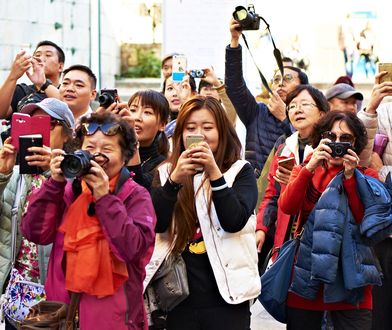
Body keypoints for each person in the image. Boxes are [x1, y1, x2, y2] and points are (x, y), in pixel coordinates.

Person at [21, 113, 156, 329]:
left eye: (108, 150)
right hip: (62, 317)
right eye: (90, 148)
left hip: (114, 320)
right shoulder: (67, 191)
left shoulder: (135, 196)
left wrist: (105, 199)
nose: (96, 157)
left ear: (125, 158)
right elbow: (35, 233)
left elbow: (134, 250)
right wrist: (54, 183)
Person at [148, 96, 260, 330]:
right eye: (191, 128)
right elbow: (156, 223)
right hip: (179, 298)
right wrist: (175, 180)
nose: (200, 134)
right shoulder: (166, 172)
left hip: (228, 298)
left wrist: (214, 173)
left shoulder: (241, 171)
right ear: (180, 135)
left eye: (208, 127)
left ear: (222, 132)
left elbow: (234, 220)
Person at [278, 111, 381, 330]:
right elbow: (288, 206)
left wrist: (352, 178)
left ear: (356, 144)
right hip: (308, 280)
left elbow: (367, 222)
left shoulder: (367, 176)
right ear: (319, 140)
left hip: (352, 284)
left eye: (345, 139)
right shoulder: (305, 169)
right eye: (330, 137)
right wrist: (308, 168)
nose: (337, 144)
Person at [0, 98, 74, 329]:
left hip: (55, 296)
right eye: (31, 124)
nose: (39, 130)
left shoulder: (76, 175)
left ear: (69, 134)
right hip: (16, 292)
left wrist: (51, 173)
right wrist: (2, 173)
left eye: (49, 124)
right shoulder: (16, 174)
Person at [225, 18, 309, 177]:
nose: (280, 83)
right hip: (258, 190)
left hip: (291, 189)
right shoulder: (258, 112)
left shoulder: (311, 116)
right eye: (276, 79)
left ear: (303, 88)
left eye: (288, 78)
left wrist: (286, 118)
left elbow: (307, 150)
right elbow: (235, 87)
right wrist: (235, 40)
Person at [256, 85, 330, 263]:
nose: (297, 109)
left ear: (322, 113)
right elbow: (272, 194)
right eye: (292, 106)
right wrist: (261, 228)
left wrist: (296, 182)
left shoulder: (329, 147)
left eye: (305, 104)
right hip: (285, 235)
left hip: (319, 235)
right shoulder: (284, 147)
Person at [354, 70, 392, 330]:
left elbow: (377, 168)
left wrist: (385, 172)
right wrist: (370, 109)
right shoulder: (385, 111)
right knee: (381, 313)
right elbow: (359, 157)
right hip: (384, 233)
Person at [0, 41, 65, 119]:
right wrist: (13, 76)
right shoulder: (22, 90)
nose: (40, 58)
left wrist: (44, 84)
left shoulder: (66, 92)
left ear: (60, 66)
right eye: (37, 55)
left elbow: (69, 112)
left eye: (48, 55)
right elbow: (1, 113)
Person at [126, 90, 170, 190]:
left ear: (162, 125)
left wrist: (131, 139)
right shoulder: (115, 154)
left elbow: (136, 189)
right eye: (133, 110)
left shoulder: (164, 166)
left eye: (147, 112)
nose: (137, 117)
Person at [162, 75, 196, 139]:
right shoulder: (158, 122)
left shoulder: (199, 120)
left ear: (194, 94)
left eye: (182, 87)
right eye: (170, 88)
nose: (175, 93)